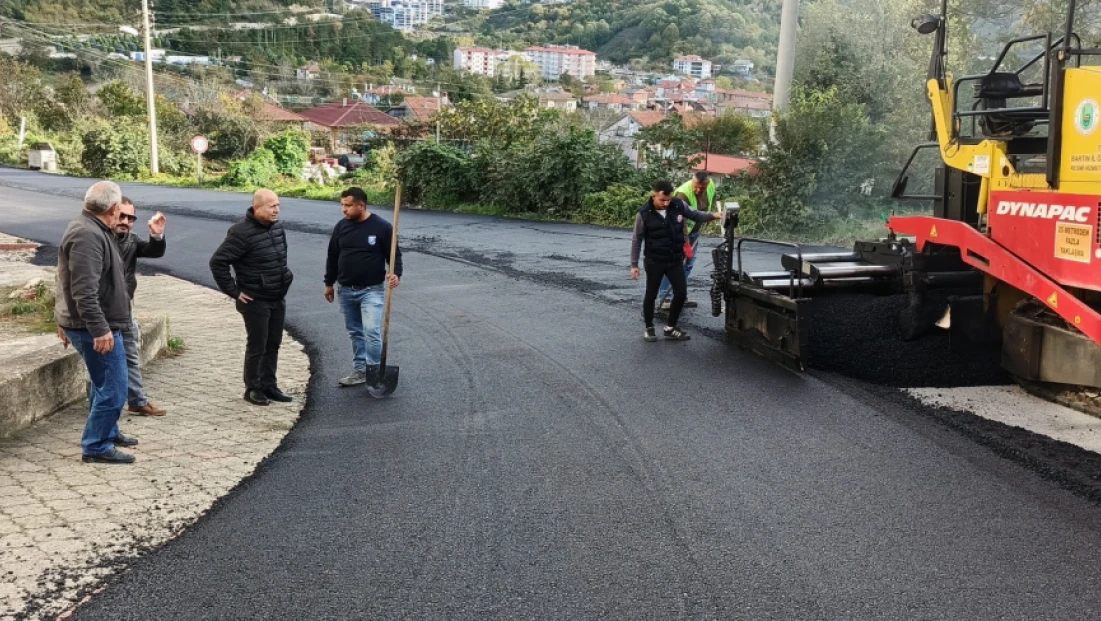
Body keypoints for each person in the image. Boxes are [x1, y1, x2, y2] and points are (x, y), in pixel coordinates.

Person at [56, 180, 139, 464]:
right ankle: (96, 445)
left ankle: (108, 430)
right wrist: (100, 329)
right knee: (115, 388)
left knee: (103, 383)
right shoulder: (87, 235)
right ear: (115, 208)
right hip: (94, 327)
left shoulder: (93, 228)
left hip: (94, 323)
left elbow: (65, 280)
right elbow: (82, 290)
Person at [209, 189, 295, 406]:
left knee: (273, 343)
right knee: (258, 344)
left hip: (277, 295)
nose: (276, 210)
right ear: (257, 208)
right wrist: (234, 292)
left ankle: (269, 385)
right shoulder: (241, 232)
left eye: (278, 205)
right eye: (271, 206)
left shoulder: (277, 228)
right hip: (255, 299)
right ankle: (253, 388)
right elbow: (218, 262)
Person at [324, 187, 402, 387]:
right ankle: (360, 370)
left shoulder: (382, 227)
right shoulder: (341, 227)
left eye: (348, 205)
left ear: (361, 205)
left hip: (371, 290)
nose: (344, 210)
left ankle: (374, 370)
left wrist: (396, 274)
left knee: (371, 331)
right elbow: (332, 256)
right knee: (355, 331)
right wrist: (328, 284)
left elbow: (394, 255)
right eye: (343, 205)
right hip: (346, 290)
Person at [631, 180, 722, 342]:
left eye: (669, 199)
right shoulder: (643, 214)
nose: (666, 203)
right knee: (651, 295)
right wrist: (634, 264)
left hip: (674, 260)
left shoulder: (678, 205)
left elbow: (695, 214)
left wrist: (713, 215)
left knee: (680, 293)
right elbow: (637, 239)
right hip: (654, 261)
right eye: (662, 200)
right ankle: (649, 328)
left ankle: (670, 327)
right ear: (654, 195)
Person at [113, 197, 167, 416]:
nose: (126, 221)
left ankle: (137, 400)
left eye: (130, 217)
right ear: (110, 213)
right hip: (100, 310)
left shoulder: (131, 240)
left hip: (125, 308)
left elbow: (155, 252)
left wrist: (156, 235)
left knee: (131, 355)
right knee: (99, 363)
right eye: (121, 216)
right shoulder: (97, 239)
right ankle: (96, 407)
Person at [657, 171, 717, 311]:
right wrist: (685, 243)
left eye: (701, 188)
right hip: (676, 232)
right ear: (692, 182)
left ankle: (679, 296)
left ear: (707, 184)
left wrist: (710, 215)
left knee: (687, 265)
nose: (698, 190)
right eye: (696, 186)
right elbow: (680, 222)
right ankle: (666, 299)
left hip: (694, 232)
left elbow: (713, 198)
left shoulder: (711, 185)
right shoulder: (683, 194)